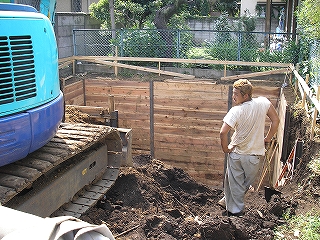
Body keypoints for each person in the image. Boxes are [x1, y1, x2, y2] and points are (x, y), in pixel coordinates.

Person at [219, 79, 279, 216]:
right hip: (254, 157)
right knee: (243, 184)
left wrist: (225, 149)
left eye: (236, 94)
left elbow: (223, 132)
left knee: (235, 183)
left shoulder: (236, 111)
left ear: (245, 96)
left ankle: (235, 213)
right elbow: (276, 120)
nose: (233, 96)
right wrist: (268, 138)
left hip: (237, 154)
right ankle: (226, 201)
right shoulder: (263, 102)